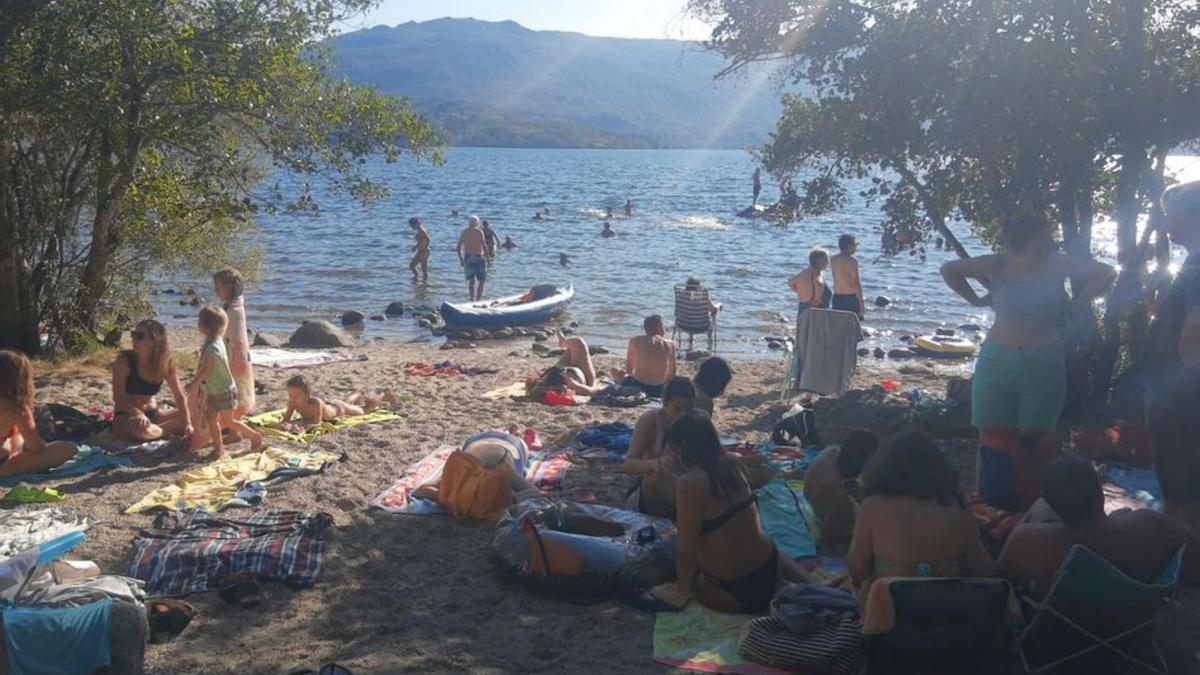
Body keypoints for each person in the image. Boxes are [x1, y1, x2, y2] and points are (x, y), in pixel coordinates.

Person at [941, 214, 1115, 511]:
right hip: (997, 358)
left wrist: (1080, 300)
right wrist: (975, 301)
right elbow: (949, 270)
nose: (1049, 243)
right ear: (1024, 240)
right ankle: (987, 503)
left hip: (1043, 359)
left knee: (1036, 439)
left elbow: (1106, 272)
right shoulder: (998, 263)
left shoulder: (1058, 263)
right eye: (1042, 239)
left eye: (1049, 238)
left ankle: (1030, 506)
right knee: (991, 435)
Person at [650, 410, 810, 613]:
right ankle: (810, 581)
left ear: (682, 447)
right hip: (771, 568)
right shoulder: (734, 463)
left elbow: (686, 552)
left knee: (664, 567)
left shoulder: (690, 483)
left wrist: (682, 591)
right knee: (760, 540)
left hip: (732, 589)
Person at [998, 457, 1200, 598]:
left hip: (1062, 632)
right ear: (1101, 494)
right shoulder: (1151, 525)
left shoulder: (1029, 542)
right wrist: (1118, 525)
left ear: (1054, 505)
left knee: (1037, 508)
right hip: (1131, 622)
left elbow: (997, 582)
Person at [848, 430, 994, 601]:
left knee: (867, 584)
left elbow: (857, 570)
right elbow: (982, 569)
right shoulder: (958, 506)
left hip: (891, 617)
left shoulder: (874, 505)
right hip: (948, 614)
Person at [1144, 181, 1200, 531]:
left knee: (1182, 479)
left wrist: (1184, 376)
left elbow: (1196, 323)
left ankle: (1186, 562)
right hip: (1179, 392)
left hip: (1179, 394)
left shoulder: (1197, 267)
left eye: (1171, 216)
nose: (1166, 224)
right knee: (1181, 476)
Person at [194, 306, 262, 459]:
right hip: (214, 389)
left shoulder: (213, 348)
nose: (197, 324)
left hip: (223, 391)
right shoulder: (216, 341)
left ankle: (254, 435)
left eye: (199, 321)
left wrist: (192, 383)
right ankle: (219, 448)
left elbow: (207, 371)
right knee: (211, 418)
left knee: (228, 420)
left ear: (206, 326)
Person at [623, 377, 696, 519]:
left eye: (688, 409)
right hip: (653, 493)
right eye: (677, 409)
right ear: (665, 403)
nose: (682, 415)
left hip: (685, 489)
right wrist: (656, 463)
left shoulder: (695, 421)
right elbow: (628, 465)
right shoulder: (651, 421)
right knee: (655, 475)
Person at [111, 320, 193, 443]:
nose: (134, 339)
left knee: (197, 412)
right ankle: (166, 430)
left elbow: (179, 396)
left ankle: (161, 430)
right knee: (140, 430)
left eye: (140, 336)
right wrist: (138, 414)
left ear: (154, 340)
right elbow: (119, 398)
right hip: (128, 416)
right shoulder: (123, 362)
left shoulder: (164, 364)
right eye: (133, 334)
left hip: (155, 415)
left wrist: (187, 422)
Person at [0, 351, 78, 478]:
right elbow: (37, 447)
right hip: (3, 465)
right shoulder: (16, 408)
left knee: (14, 435)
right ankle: (7, 470)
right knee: (68, 448)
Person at [803, 431, 879, 547]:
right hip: (826, 515)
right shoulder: (842, 500)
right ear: (866, 459)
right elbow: (827, 540)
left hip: (812, 497)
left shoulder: (831, 451)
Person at [213, 267, 255, 416]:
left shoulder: (234, 310)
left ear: (229, 287)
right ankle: (232, 415)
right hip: (236, 352)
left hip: (235, 353)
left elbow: (232, 334)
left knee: (235, 384)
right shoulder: (232, 306)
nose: (216, 290)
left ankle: (234, 416)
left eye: (219, 286)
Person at [281, 374, 396, 425]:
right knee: (347, 403)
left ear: (307, 395)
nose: (292, 398)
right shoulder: (292, 403)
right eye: (290, 395)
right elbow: (285, 420)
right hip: (335, 405)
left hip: (339, 410)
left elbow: (316, 424)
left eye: (296, 395)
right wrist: (286, 424)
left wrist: (297, 425)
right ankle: (358, 393)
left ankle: (383, 394)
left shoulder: (316, 403)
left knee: (364, 410)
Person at [614, 315, 676, 398]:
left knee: (613, 370)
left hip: (638, 387)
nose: (665, 329)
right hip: (659, 389)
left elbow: (629, 368)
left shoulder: (634, 341)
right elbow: (672, 373)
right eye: (663, 326)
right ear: (659, 327)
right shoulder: (670, 344)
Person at [788, 248, 832, 320]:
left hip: (803, 305)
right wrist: (816, 299)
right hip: (816, 308)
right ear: (819, 261)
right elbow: (819, 284)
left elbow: (791, 283)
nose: (828, 262)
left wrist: (800, 292)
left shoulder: (805, 272)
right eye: (826, 259)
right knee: (816, 330)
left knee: (804, 328)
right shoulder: (816, 273)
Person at [830, 234, 866, 319]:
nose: (855, 248)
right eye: (854, 245)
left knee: (838, 325)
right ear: (849, 246)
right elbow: (856, 283)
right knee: (852, 327)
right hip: (850, 297)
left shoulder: (833, 259)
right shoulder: (852, 261)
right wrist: (862, 305)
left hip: (837, 296)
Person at [456, 215, 488, 301]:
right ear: (477, 223)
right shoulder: (479, 232)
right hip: (478, 256)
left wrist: (461, 259)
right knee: (482, 279)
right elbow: (484, 246)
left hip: (468, 256)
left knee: (471, 280)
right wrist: (488, 258)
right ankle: (478, 299)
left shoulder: (464, 232)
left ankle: (471, 298)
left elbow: (458, 247)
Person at [409, 217, 430, 283]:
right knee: (424, 269)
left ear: (416, 224)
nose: (412, 227)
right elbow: (421, 240)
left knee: (412, 265)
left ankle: (416, 278)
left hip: (422, 252)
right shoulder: (420, 230)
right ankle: (424, 284)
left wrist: (424, 247)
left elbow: (428, 239)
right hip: (424, 251)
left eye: (412, 225)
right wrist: (416, 246)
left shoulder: (421, 230)